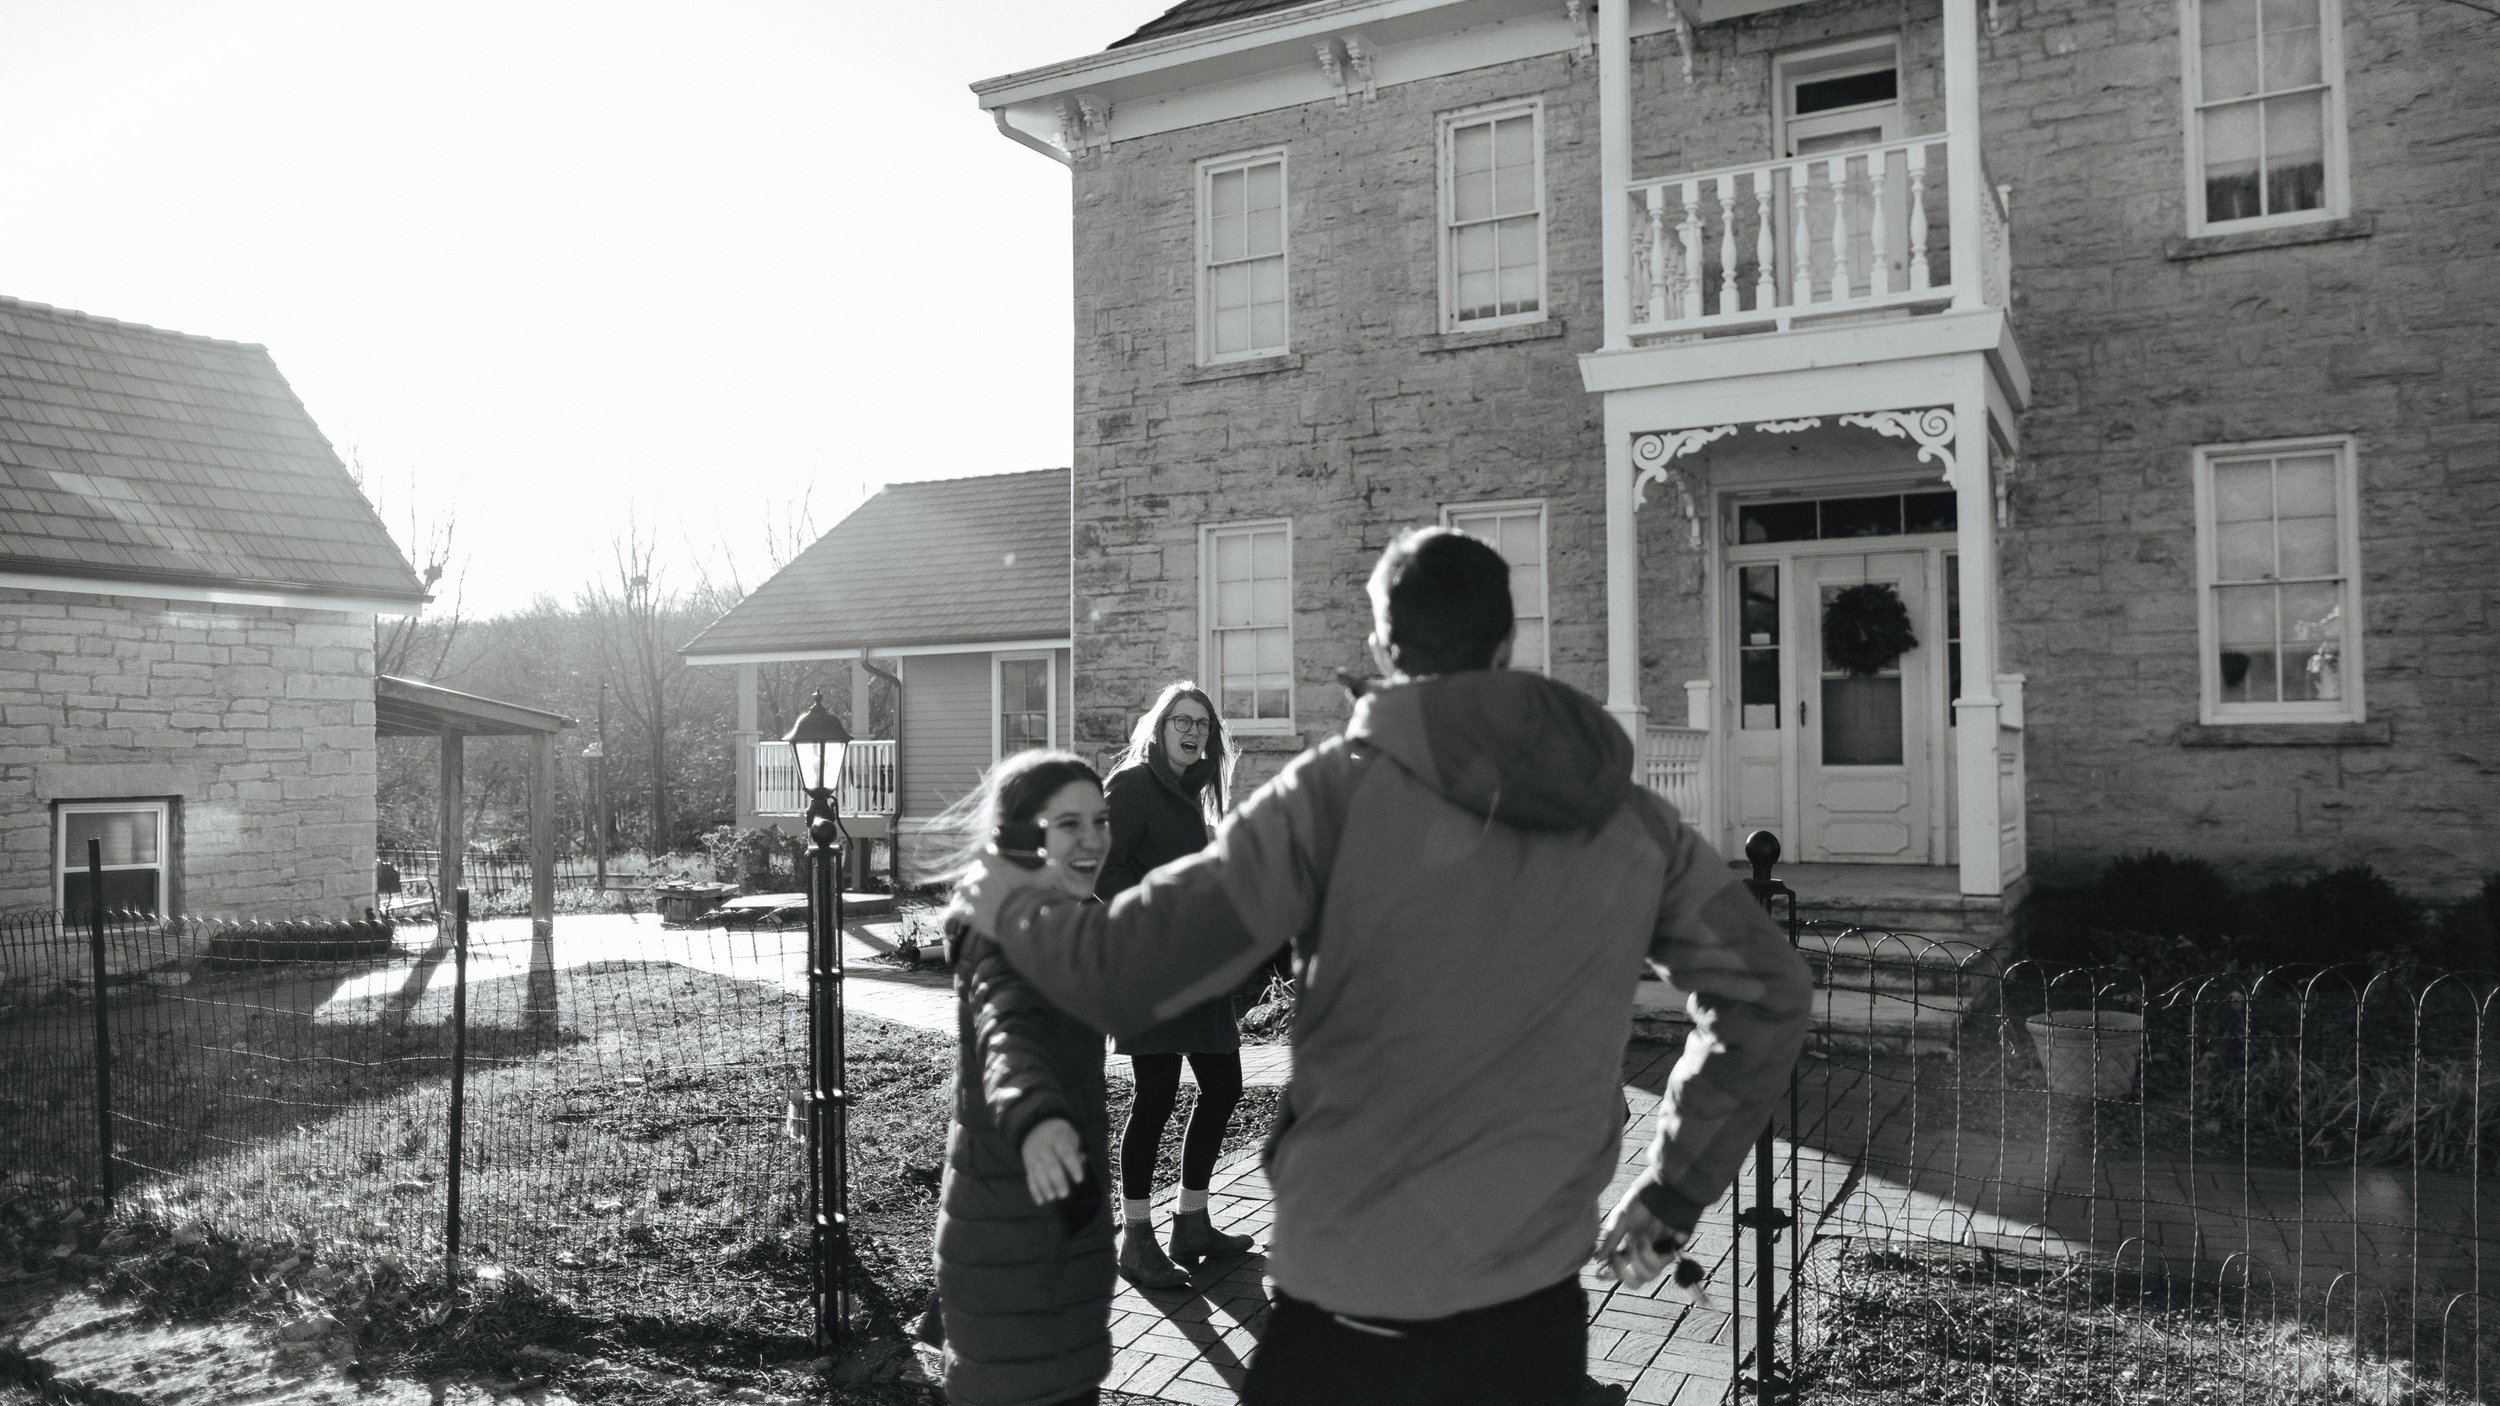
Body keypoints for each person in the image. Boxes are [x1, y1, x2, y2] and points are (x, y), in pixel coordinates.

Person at [947, 527, 1815, 1406]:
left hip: (1349, 1316)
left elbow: (1121, 971)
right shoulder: (1630, 822)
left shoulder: (1329, 801)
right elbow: (1767, 994)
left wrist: (1007, 895)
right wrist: (1674, 1189)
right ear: (1508, 643)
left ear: (1381, 649)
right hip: (1531, 1318)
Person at [929, 750, 1118, 1406]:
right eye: (1068, 825)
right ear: (1021, 838)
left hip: (1051, 1237)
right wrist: (1037, 1116)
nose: (1092, 839)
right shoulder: (1004, 941)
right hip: (1013, 1253)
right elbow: (1007, 1032)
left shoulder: (1061, 922)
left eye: (1100, 820)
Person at [1095, 682, 1253, 1290]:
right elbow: (1103, 868)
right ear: (1158, 728)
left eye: (1202, 725)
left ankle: (1191, 1221)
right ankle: (1136, 1240)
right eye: (1181, 721)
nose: (1192, 731)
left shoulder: (1192, 794)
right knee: (1156, 1095)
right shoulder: (1133, 784)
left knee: (1224, 1084)